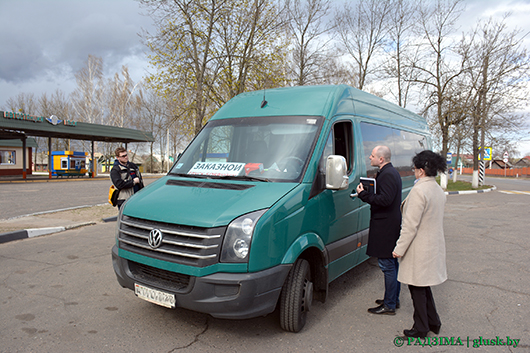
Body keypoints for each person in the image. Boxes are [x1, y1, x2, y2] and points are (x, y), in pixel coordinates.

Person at [392, 150, 447, 338]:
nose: (413, 171)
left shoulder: (419, 191)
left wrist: (398, 249)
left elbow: (409, 226)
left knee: (417, 288)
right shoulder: (437, 188)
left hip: (419, 248)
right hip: (432, 246)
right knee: (423, 287)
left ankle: (421, 328)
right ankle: (433, 322)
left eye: (414, 168)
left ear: (421, 170)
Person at [356, 145, 402, 315]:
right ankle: (392, 299)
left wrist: (363, 195)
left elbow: (385, 200)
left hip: (386, 226)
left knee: (387, 265)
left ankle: (389, 305)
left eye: (372, 155)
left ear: (381, 159)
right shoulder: (389, 172)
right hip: (387, 223)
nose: (370, 157)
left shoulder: (388, 174)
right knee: (391, 263)